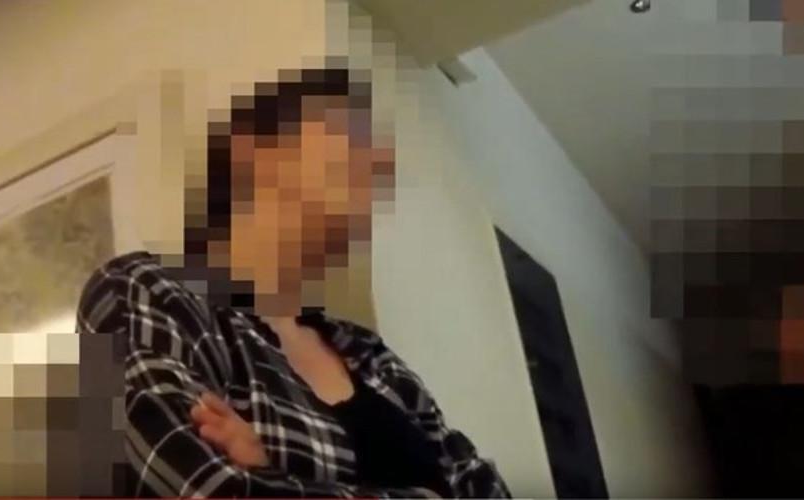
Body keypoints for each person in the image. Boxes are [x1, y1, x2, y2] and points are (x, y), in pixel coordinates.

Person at [76, 67, 511, 498]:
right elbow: (196, 484)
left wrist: (270, 473)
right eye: (345, 157)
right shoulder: (138, 289)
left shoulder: (370, 353)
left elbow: (485, 487)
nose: (363, 196)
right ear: (250, 152)